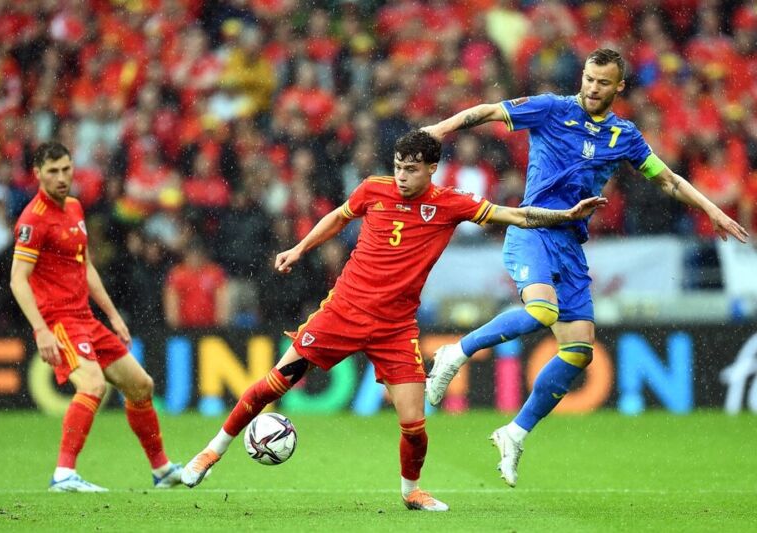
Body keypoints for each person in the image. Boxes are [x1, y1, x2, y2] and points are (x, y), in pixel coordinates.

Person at [180, 130, 606, 511]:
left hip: (395, 329)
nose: (402, 176)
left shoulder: (450, 204)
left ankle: (411, 492)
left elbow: (516, 215)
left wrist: (564, 217)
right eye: (399, 167)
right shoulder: (373, 189)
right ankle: (211, 452)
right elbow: (338, 217)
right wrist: (299, 248)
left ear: (432, 169)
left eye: (411, 169)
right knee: (274, 383)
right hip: (342, 314)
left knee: (414, 424)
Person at [422, 48, 750, 488]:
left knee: (578, 351)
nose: (593, 88)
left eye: (603, 82)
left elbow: (668, 179)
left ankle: (515, 432)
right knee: (543, 311)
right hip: (533, 229)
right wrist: (439, 129)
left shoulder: (624, 135)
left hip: (570, 246)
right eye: (589, 79)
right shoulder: (551, 109)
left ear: (619, 86)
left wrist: (712, 210)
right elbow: (488, 111)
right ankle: (456, 352)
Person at [10, 142, 184, 492]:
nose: (61, 178)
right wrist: (41, 330)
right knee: (92, 385)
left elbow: (85, 266)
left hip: (86, 318)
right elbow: (18, 279)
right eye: (53, 171)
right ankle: (64, 474)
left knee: (141, 386)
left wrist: (113, 315)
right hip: (59, 321)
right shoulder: (33, 219)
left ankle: (162, 471)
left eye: (66, 169)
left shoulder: (74, 207)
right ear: (38, 174)